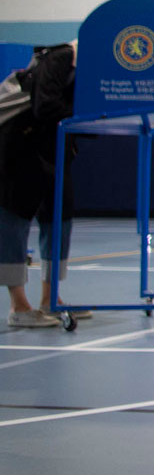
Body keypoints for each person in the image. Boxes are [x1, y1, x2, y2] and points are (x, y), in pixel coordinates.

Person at [1, 42, 78, 328]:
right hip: (20, 141)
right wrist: (79, 110)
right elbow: (44, 105)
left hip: (54, 144)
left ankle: (51, 300)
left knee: (60, 217)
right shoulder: (62, 56)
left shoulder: (98, 67)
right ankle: (19, 306)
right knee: (14, 218)